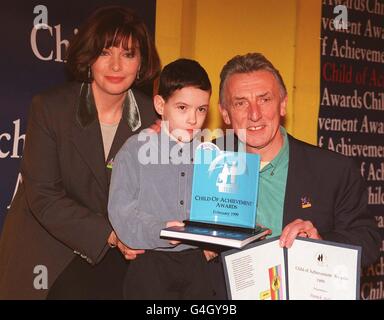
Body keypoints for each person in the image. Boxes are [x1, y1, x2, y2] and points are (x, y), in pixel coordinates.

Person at [0, 5, 160, 299]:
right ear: (89, 57)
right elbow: (44, 197)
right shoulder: (50, 108)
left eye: (127, 54)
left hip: (118, 252)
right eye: (105, 52)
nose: (116, 66)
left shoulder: (153, 117)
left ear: (141, 63)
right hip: (48, 247)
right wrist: (110, 235)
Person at [217, 52, 380, 267]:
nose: (254, 114)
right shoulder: (204, 163)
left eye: (265, 100)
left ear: (282, 105)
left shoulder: (334, 170)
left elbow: (368, 244)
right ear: (225, 114)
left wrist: (320, 243)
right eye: (240, 103)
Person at [108, 59, 224, 299]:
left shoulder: (209, 155)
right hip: (150, 261)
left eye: (201, 109)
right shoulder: (135, 150)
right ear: (161, 104)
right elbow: (121, 210)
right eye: (182, 107)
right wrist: (160, 230)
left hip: (196, 262)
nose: (193, 119)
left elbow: (217, 208)